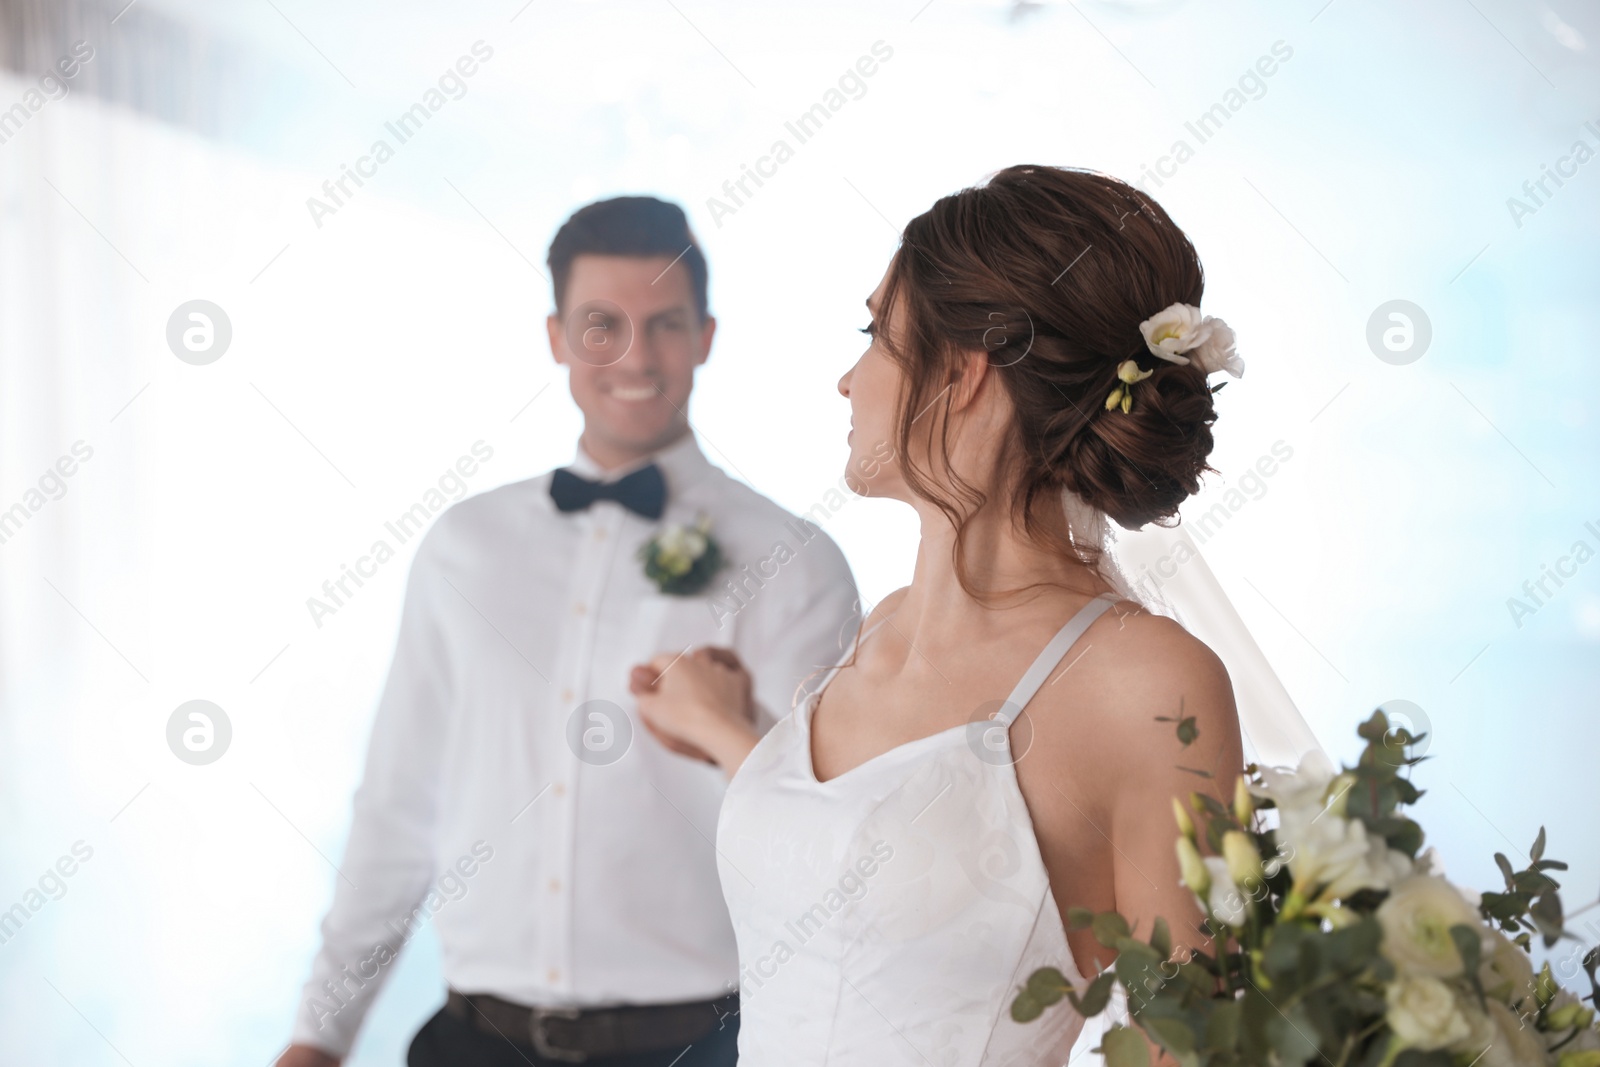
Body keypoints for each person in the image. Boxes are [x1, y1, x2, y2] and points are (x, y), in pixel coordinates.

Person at [631, 165, 1250, 1063]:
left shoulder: (1146, 684)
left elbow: (1188, 1047)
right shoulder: (881, 625)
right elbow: (875, 876)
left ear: (960, 372)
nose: (848, 379)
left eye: (875, 335)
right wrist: (737, 738)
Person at [276, 196, 859, 1067]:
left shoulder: (794, 560)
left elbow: (826, 836)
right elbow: (398, 806)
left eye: (664, 324)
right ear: (555, 337)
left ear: (705, 335)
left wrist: (734, 731)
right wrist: (321, 1034)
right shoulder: (460, 549)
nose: (633, 356)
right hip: (469, 1042)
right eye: (600, 325)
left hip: (701, 1046)